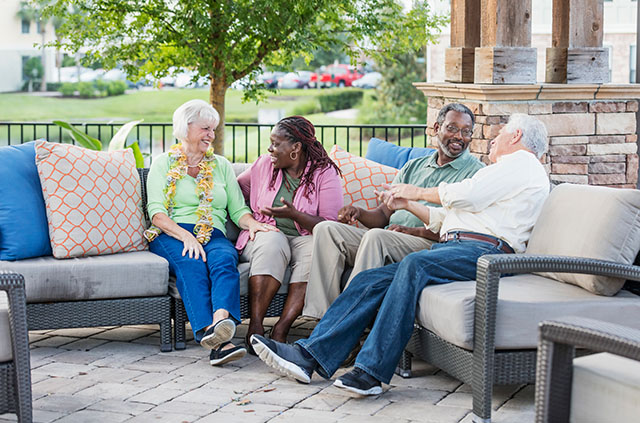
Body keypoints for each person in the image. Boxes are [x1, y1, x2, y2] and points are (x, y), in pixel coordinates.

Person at [251, 113, 551, 395]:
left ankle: (371, 373)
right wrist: (408, 204)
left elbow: (467, 194)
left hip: (487, 253)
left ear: (517, 135)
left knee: (414, 265)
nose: (492, 140)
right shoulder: (507, 177)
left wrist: (415, 192)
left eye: (499, 134)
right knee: (370, 280)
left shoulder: (522, 163)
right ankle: (310, 355)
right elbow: (449, 219)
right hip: (461, 245)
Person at [303, 103, 485, 319]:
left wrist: (414, 231)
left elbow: (464, 230)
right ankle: (319, 318)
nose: (459, 137)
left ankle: (348, 320)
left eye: (466, 132)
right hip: (390, 236)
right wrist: (358, 213)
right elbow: (382, 216)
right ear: (436, 128)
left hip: (430, 245)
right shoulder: (414, 167)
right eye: (452, 128)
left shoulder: (476, 174)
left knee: (377, 237)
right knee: (327, 230)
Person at [145, 99, 276, 366]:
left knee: (224, 260)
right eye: (205, 128)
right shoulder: (163, 163)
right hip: (172, 232)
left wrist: (253, 225)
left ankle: (219, 324)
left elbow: (238, 210)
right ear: (186, 127)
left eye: (214, 130)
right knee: (191, 263)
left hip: (213, 231)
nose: (211, 135)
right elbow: (156, 213)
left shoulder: (220, 165)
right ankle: (218, 340)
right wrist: (186, 236)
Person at [237, 116, 342, 349]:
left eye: (276, 143)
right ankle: (255, 327)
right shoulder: (264, 164)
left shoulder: (324, 173)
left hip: (305, 235)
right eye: (271, 142)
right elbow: (236, 190)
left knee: (317, 250)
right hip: (267, 231)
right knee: (272, 242)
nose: (270, 148)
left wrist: (295, 215)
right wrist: (247, 217)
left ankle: (281, 329)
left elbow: (329, 226)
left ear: (296, 148)